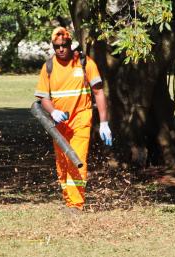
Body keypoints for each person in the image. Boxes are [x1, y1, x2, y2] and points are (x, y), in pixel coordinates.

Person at [34, 26, 112, 214]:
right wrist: (52, 111)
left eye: (64, 45)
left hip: (81, 119)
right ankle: (68, 200)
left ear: (71, 44)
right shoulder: (49, 67)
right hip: (59, 123)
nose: (61, 49)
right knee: (61, 163)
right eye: (56, 46)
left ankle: (76, 204)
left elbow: (99, 92)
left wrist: (103, 122)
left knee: (76, 159)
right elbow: (43, 97)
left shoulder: (84, 62)